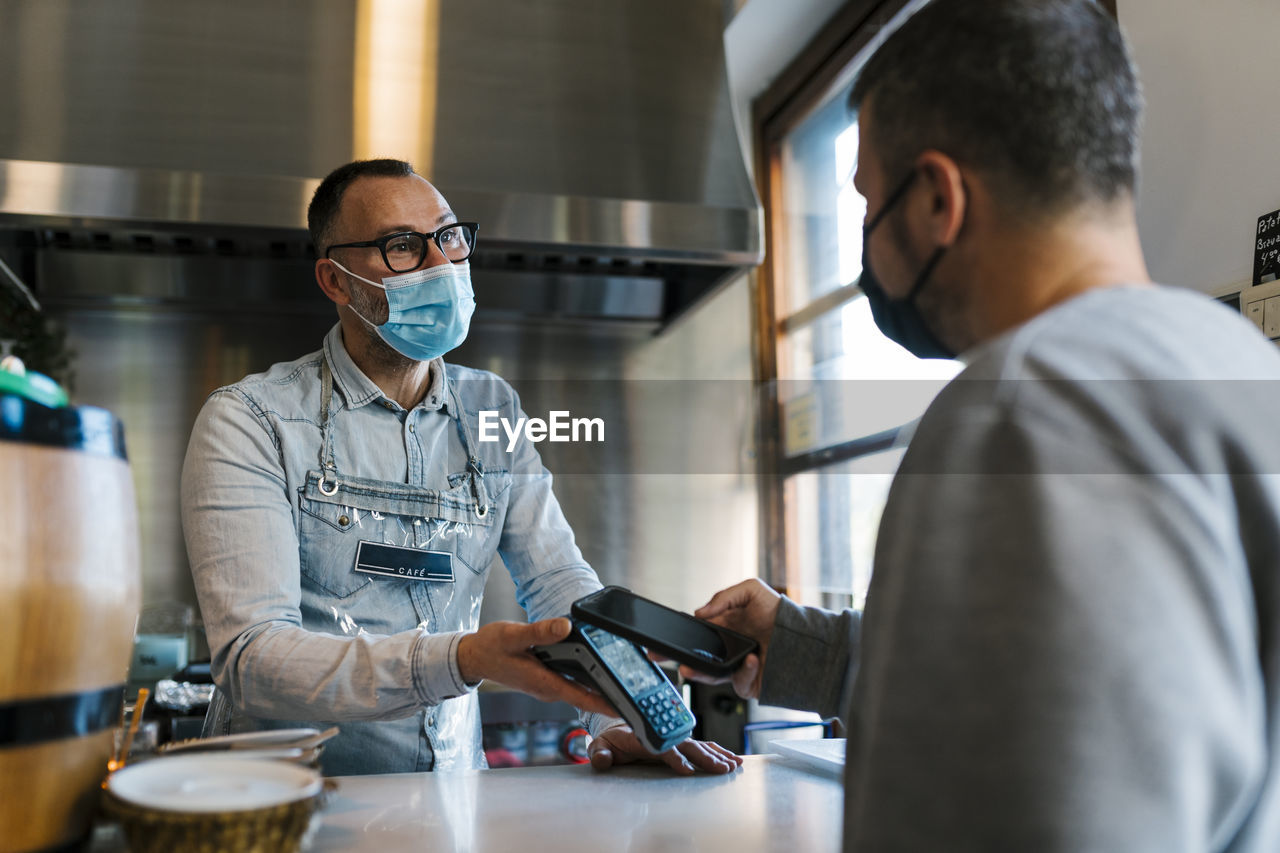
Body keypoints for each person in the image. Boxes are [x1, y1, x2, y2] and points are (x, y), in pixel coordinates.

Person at [689, 1, 1280, 850]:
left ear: (936, 198)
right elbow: (1085, 699)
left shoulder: (1023, 416)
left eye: (869, 204)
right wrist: (798, 643)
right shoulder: (1238, 365)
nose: (867, 243)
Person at [181, 158, 741, 777]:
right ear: (334, 281)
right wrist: (463, 659)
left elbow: (559, 582)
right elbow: (254, 660)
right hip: (290, 805)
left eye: (449, 238)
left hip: (450, 802)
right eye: (402, 246)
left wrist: (619, 714)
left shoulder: (492, 408)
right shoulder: (250, 420)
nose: (441, 265)